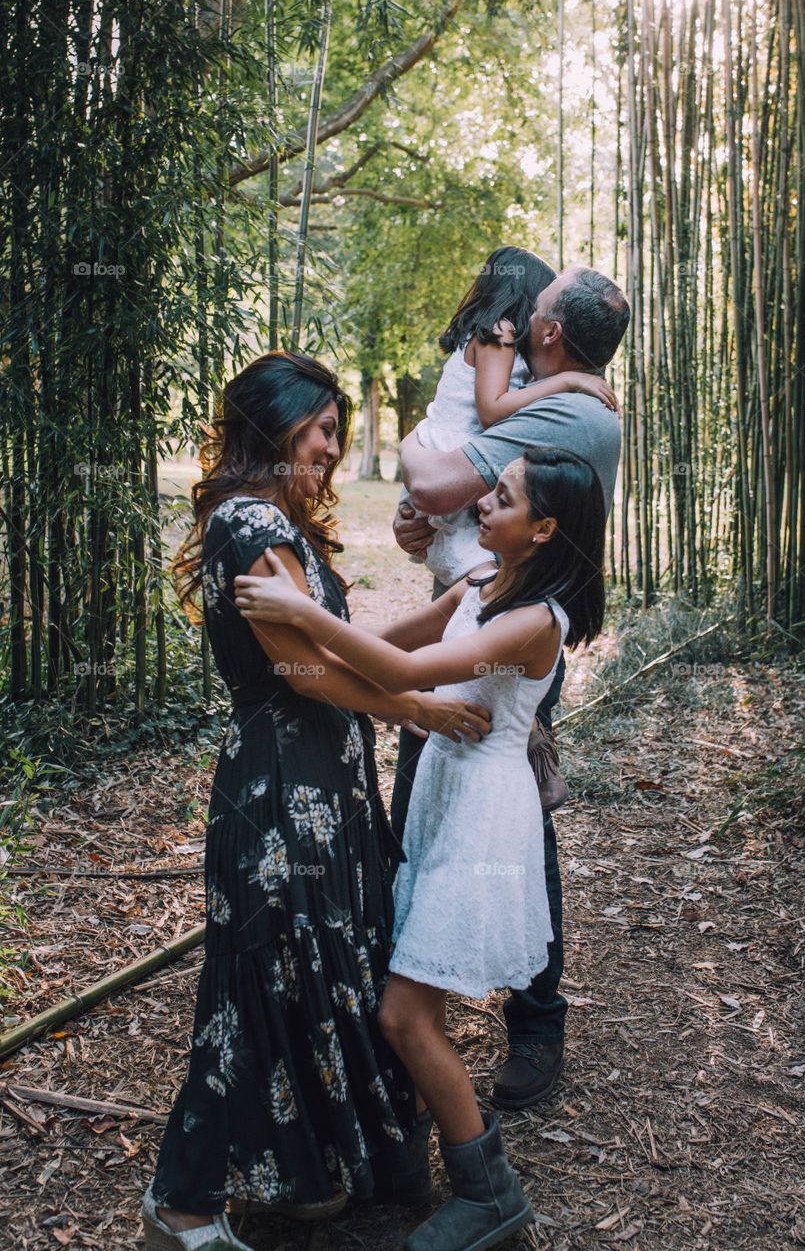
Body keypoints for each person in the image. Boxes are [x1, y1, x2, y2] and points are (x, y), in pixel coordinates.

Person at [142, 352, 491, 1251]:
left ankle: (301, 1174)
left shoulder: (264, 520)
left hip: (315, 783)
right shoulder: (252, 518)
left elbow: (349, 648)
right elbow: (302, 673)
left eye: (336, 431)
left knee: (306, 975)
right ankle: (180, 1204)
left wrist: (459, 606)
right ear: (277, 426)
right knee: (263, 982)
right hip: (279, 788)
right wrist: (414, 706)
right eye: (322, 430)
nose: (333, 448)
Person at [234, 445, 608, 1251]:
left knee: (405, 1015)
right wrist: (295, 633)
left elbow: (406, 669)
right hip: (441, 796)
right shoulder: (480, 584)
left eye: (500, 499)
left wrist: (299, 611)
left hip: (484, 816)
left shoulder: (537, 624)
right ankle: (405, 1159)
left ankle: (489, 1192)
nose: (482, 504)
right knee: (407, 997)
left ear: (542, 529)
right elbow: (370, 648)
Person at [392, 264, 630, 1110]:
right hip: (473, 609)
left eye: (531, 313)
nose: (521, 323)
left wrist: (427, 489)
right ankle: (413, 1011)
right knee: (426, 796)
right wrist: (416, 521)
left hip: (517, 632)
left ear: (547, 330)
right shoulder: (539, 385)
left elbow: (444, 483)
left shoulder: (567, 406)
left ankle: (533, 1020)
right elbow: (441, 508)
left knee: (509, 810)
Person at [399, 244, 617, 589]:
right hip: (446, 454)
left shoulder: (567, 410)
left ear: (552, 331)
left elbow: (434, 489)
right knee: (470, 573)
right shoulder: (500, 334)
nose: (532, 316)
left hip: (445, 469)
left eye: (539, 310)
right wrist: (567, 380)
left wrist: (410, 445)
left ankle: (474, 604)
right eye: (536, 303)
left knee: (477, 578)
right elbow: (490, 414)